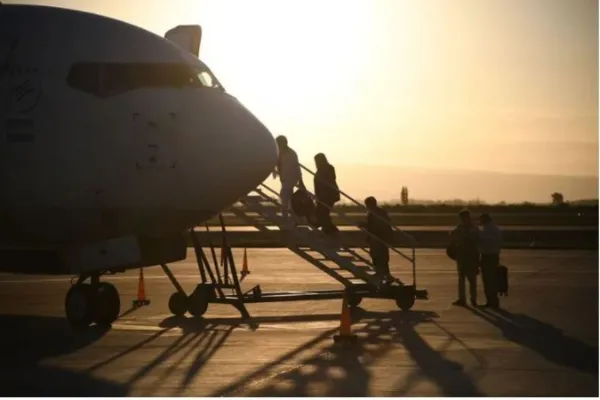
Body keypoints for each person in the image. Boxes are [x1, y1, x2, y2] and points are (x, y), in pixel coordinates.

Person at [449, 208, 480, 307]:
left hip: (470, 255)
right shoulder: (461, 227)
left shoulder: (473, 228)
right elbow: (453, 235)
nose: (463, 219)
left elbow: (475, 238)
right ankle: (462, 299)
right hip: (462, 256)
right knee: (462, 279)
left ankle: (473, 299)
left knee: (472, 279)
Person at [272, 135, 304, 228]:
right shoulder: (281, 152)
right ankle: (294, 219)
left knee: (284, 198)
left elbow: (297, 168)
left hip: (290, 180)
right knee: (288, 200)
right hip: (285, 180)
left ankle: (286, 219)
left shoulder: (291, 154)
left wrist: (300, 181)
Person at [363, 196, 394, 282]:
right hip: (381, 237)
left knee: (378, 256)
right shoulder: (381, 212)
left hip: (378, 238)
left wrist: (365, 227)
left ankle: (381, 273)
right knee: (381, 256)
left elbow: (372, 227)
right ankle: (384, 274)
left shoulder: (372, 213)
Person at [478, 213, 503, 308]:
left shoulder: (488, 229)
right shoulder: (495, 228)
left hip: (488, 256)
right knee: (492, 279)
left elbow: (483, 241)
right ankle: (493, 301)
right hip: (494, 255)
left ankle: (491, 301)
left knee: (488, 280)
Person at [313, 153, 340, 236]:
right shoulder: (320, 170)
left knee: (323, 212)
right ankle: (327, 229)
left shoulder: (328, 168)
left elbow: (330, 179)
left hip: (328, 195)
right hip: (322, 196)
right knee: (321, 213)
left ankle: (331, 229)